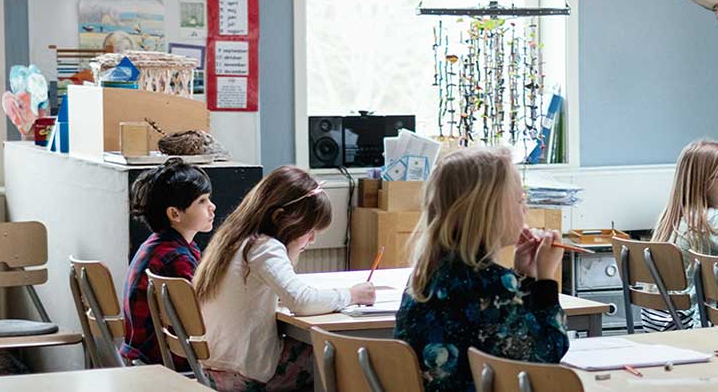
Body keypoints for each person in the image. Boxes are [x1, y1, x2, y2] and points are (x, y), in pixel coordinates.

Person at [396, 147, 569, 392]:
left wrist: (524, 276)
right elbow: (547, 352)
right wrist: (545, 279)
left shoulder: (425, 278)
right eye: (520, 200)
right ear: (489, 212)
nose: (525, 209)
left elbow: (515, 334)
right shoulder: (492, 284)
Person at [194, 167, 375, 392]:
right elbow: (301, 302)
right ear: (280, 218)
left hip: (212, 367)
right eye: (309, 230)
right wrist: (352, 294)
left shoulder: (234, 239)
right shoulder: (264, 247)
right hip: (243, 372)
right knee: (336, 354)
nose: (312, 238)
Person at [121, 158, 214, 366]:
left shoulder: (159, 245)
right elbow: (201, 317)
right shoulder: (176, 258)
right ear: (174, 214)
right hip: (163, 358)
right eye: (202, 201)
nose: (212, 206)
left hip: (141, 354)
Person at [645, 137, 718, 330]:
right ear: (702, 182)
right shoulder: (708, 219)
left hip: (657, 321)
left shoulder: (674, 215)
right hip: (687, 325)